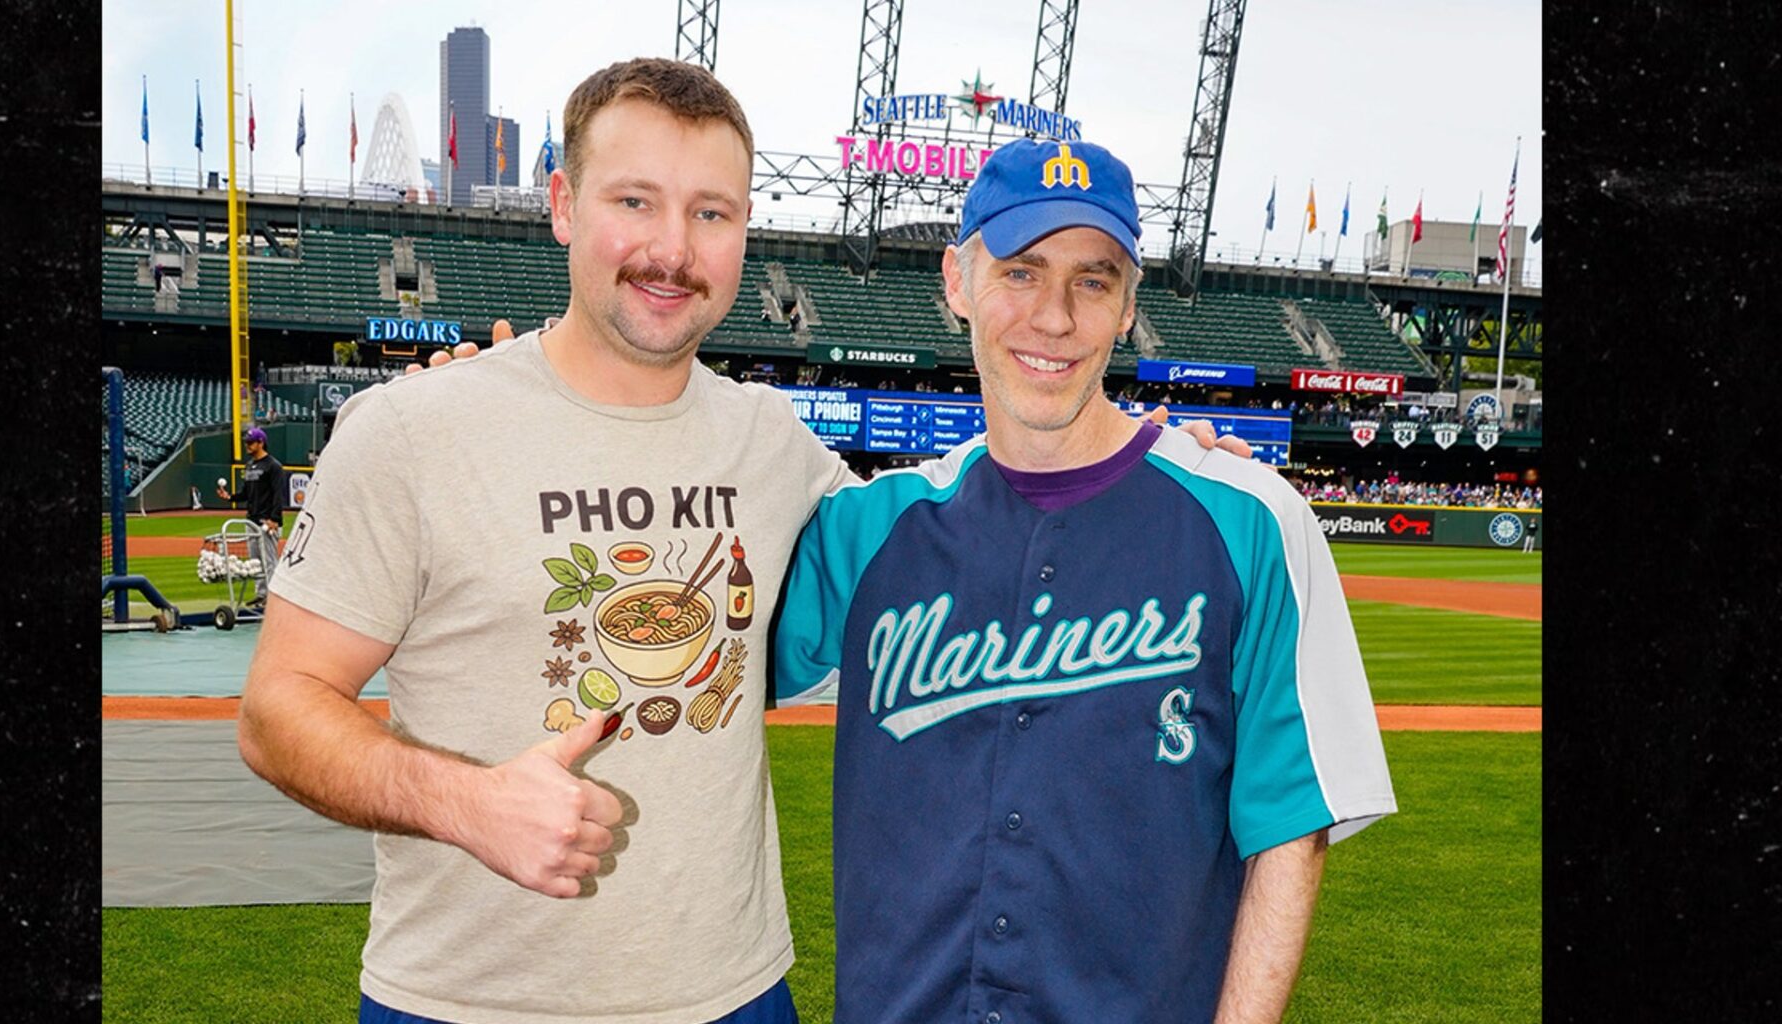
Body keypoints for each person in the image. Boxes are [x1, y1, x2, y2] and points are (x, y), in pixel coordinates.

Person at [243, 60, 1256, 1024]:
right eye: (634, 201)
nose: (673, 249)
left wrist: (1155, 459)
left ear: (742, 233)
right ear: (561, 205)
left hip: (735, 993)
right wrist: (464, 801)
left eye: (711, 213)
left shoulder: (774, 446)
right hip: (467, 998)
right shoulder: (413, 431)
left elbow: (979, 521)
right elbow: (280, 709)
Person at [773, 137, 1397, 1024]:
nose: (1056, 317)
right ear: (958, 280)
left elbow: (1290, 836)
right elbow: (681, 661)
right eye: (1021, 272)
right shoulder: (867, 532)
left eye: (1093, 280)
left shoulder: (1251, 521)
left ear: (1128, 304)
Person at [216, 426, 287, 607]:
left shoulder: (273, 466)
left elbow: (279, 494)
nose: (247, 445)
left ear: (261, 442)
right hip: (251, 520)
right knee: (256, 561)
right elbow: (246, 493)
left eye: (250, 442)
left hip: (266, 521)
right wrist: (230, 497)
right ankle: (261, 594)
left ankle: (273, 598)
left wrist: (274, 519)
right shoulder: (249, 466)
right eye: (246, 442)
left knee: (269, 560)